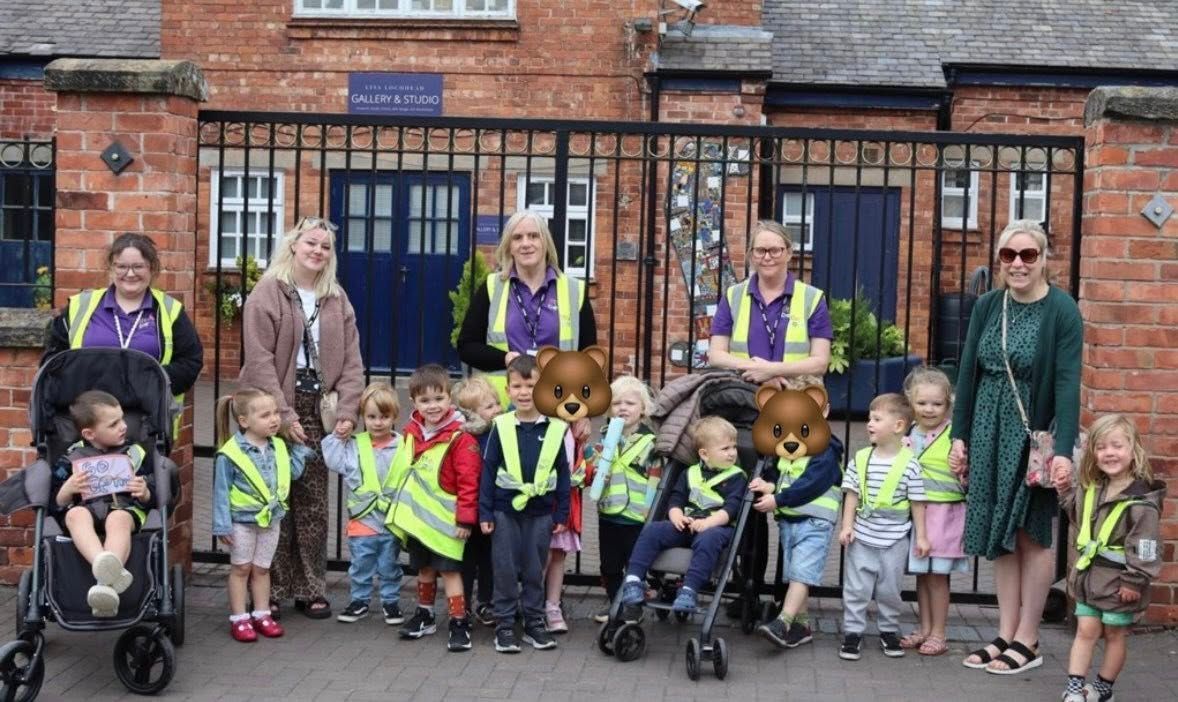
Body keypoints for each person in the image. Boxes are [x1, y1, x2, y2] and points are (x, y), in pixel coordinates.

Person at [951, 219, 1083, 673]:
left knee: (1032, 533)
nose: (1019, 263)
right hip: (988, 429)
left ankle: (1029, 638)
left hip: (1033, 436)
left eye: (1029, 254)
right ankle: (1005, 632)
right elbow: (966, 374)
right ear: (1000, 260)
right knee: (999, 536)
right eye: (1009, 255)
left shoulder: (1062, 311)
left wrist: (1062, 448)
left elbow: (1067, 384)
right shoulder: (990, 305)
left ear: (1045, 258)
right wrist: (960, 436)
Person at [239, 216, 365, 620]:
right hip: (273, 409)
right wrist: (284, 413)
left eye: (325, 247)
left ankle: (311, 588)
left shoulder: (336, 298)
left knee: (313, 503)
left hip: (319, 408)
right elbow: (258, 360)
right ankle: (270, 588)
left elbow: (352, 360)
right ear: (293, 245)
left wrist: (347, 409)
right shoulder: (268, 293)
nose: (318, 251)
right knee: (274, 500)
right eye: (311, 243)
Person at [45, 232, 204, 435]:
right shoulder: (80, 306)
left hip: (147, 424)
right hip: (85, 423)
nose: (130, 274)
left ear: (152, 268)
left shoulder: (170, 310)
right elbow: (53, 360)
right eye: (121, 266)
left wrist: (148, 383)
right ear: (111, 268)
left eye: (138, 266)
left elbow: (191, 362)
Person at [1054, 414, 1165, 702]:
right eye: (1101, 447)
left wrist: (1135, 580)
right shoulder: (1093, 486)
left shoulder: (1142, 502)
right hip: (1088, 579)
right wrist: (1065, 489)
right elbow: (1076, 514)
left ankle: (1103, 689)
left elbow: (1147, 547)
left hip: (1119, 582)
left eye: (1117, 445)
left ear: (1133, 450)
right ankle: (1075, 688)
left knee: (1114, 634)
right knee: (1086, 629)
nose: (1109, 453)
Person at [456, 209, 598, 407]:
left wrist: (585, 410)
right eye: (517, 238)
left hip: (559, 404)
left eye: (533, 236)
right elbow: (467, 347)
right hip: (502, 408)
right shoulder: (492, 287)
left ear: (545, 243)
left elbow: (589, 359)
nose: (526, 244)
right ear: (509, 247)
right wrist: (504, 358)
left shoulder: (575, 290)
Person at [478, 355, 571, 654]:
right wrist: (485, 511)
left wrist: (562, 512)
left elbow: (564, 474)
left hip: (542, 513)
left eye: (530, 385)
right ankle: (505, 625)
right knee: (504, 568)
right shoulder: (500, 426)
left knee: (534, 570)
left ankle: (534, 623)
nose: (523, 392)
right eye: (516, 385)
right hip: (505, 511)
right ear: (507, 390)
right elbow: (489, 470)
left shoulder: (556, 429)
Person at [212, 388, 314, 643]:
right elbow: (221, 492)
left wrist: (301, 453)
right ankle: (239, 618)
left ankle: (262, 613)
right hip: (241, 522)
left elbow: (290, 475)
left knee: (261, 568)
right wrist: (222, 525)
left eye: (276, 413)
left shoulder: (279, 446)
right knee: (241, 568)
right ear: (244, 421)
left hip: (271, 520)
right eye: (265, 415)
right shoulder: (230, 453)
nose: (274, 419)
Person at [620, 416, 748, 621]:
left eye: (734, 447)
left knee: (709, 539)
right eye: (725, 449)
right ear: (704, 454)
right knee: (653, 530)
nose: (732, 453)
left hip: (717, 527)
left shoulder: (737, 477)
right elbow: (676, 499)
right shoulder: (690, 473)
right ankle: (633, 581)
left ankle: (689, 590)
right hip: (687, 525)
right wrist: (677, 516)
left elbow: (731, 509)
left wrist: (707, 523)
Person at [750, 383, 844, 650]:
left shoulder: (824, 449)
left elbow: (811, 484)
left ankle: (784, 621)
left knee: (802, 574)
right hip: (791, 521)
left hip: (815, 521)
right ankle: (801, 626)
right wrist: (768, 486)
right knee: (796, 575)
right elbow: (783, 479)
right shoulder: (790, 449)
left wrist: (778, 499)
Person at [394, 364, 481, 652]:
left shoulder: (461, 437)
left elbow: (469, 482)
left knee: (450, 573)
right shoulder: (412, 432)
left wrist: (466, 520)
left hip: (448, 523)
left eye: (439, 398)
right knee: (424, 569)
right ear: (414, 402)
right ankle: (425, 614)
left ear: (450, 398)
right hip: (420, 522)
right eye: (425, 400)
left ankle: (458, 621)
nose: (433, 406)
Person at [838, 393, 928, 661]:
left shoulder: (910, 465)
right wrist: (846, 526)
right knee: (856, 589)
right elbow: (851, 494)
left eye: (877, 419)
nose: (869, 423)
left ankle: (889, 630)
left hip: (895, 541)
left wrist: (921, 537)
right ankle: (852, 632)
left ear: (898, 426)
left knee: (890, 590)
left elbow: (917, 502)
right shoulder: (861, 459)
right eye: (869, 418)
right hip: (862, 538)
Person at [51, 390, 153, 617]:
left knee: (118, 519)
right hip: (86, 508)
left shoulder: (135, 454)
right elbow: (54, 501)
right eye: (114, 424)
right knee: (74, 515)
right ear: (89, 433)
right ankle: (105, 567)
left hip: (123, 508)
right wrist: (67, 490)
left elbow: (152, 492)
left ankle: (104, 586)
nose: (124, 426)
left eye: (123, 419)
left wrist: (144, 492)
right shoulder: (71, 457)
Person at [322, 381, 413, 626]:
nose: (378, 422)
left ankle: (390, 602)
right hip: (362, 520)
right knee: (361, 564)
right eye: (371, 416)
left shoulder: (405, 445)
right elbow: (332, 459)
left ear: (394, 416)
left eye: (384, 416)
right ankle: (359, 600)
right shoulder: (354, 445)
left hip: (392, 521)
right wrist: (338, 435)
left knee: (389, 566)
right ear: (362, 416)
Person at [708, 220, 833, 389]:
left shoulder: (813, 298)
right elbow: (716, 355)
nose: (767, 257)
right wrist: (756, 371)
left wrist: (771, 370)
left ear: (789, 253)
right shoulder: (732, 296)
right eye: (760, 251)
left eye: (775, 250)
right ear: (751, 255)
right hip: (742, 394)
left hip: (796, 395)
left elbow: (820, 362)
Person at [897, 366, 967, 657]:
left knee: (938, 577)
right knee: (922, 575)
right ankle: (924, 628)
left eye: (937, 404)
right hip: (918, 515)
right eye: (922, 403)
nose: (929, 409)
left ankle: (939, 632)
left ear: (948, 404)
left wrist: (961, 468)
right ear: (911, 403)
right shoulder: (909, 433)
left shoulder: (954, 436)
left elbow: (966, 478)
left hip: (944, 514)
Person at [589, 375, 660, 623]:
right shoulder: (606, 437)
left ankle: (632, 606)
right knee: (609, 566)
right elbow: (593, 467)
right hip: (608, 512)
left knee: (634, 566)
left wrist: (649, 511)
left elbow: (654, 478)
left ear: (643, 409)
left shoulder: (651, 442)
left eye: (629, 403)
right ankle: (614, 602)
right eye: (617, 403)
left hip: (636, 516)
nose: (622, 408)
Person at [453, 376, 502, 627]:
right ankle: (465, 605)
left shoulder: (500, 432)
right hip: (470, 509)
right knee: (466, 561)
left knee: (490, 560)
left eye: (496, 404)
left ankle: (486, 602)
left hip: (492, 507)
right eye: (489, 406)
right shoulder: (466, 437)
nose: (497, 409)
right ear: (472, 413)